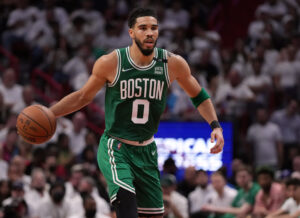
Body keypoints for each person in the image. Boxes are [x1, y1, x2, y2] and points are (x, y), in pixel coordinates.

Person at [49, 8, 224, 218]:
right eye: (143, 28)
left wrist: (215, 126)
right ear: (131, 32)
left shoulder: (171, 63)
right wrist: (51, 113)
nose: (149, 33)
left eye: (154, 28)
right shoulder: (112, 62)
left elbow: (199, 95)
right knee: (127, 209)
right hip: (117, 147)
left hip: (147, 151)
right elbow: (82, 97)